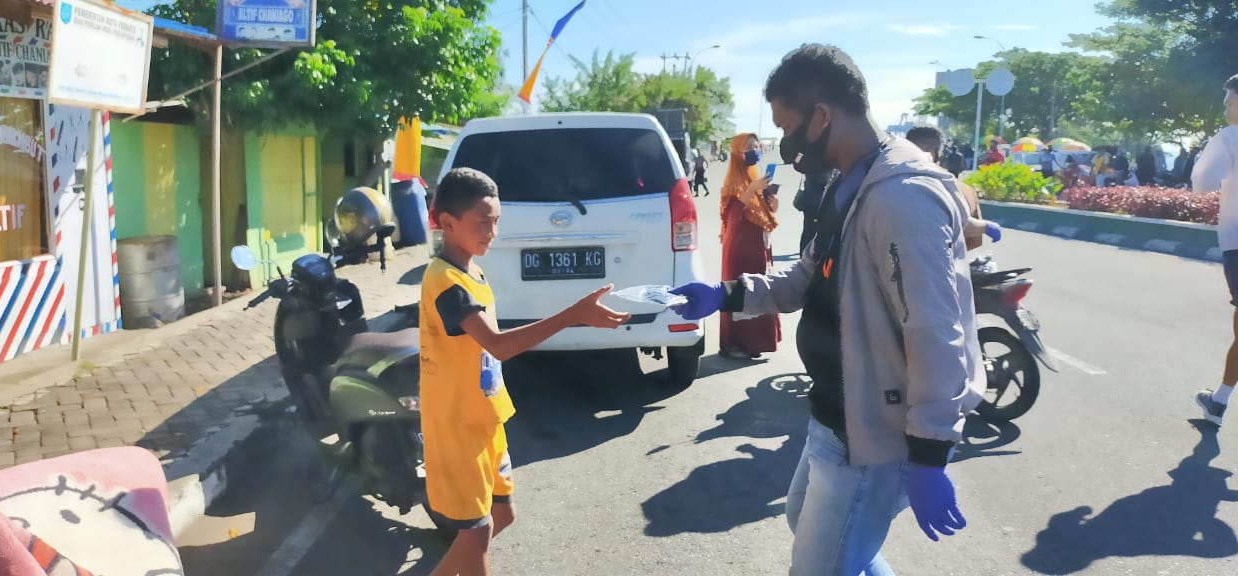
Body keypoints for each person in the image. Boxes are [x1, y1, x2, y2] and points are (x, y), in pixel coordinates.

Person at [671, 44, 985, 575]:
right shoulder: (851, 181)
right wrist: (725, 295)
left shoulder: (901, 197)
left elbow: (936, 330)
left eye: (786, 127)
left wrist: (930, 451)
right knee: (806, 522)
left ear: (821, 116)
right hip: (836, 414)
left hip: (875, 433)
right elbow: (804, 278)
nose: (784, 144)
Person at [421, 168, 630, 576]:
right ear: (448, 222)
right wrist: (572, 315)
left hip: (485, 418)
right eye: (484, 222)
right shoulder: (445, 282)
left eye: (497, 221)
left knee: (503, 515)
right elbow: (498, 345)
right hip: (457, 427)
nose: (493, 232)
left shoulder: (471, 272)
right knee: (477, 533)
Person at [1193, 74, 1238, 428]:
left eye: (1228, 103)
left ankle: (1219, 402)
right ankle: (1219, 401)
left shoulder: (1229, 138)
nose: (1225, 111)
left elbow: (1202, 183)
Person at [718, 133, 782, 360]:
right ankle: (733, 344)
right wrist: (750, 190)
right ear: (737, 152)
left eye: (756, 145)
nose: (755, 150)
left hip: (758, 249)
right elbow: (733, 218)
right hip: (739, 250)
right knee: (740, 293)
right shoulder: (733, 184)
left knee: (760, 292)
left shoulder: (755, 179)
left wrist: (772, 205)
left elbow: (761, 214)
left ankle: (757, 343)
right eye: (748, 147)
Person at [905, 126, 1001, 251]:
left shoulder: (884, 176)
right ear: (930, 150)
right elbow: (962, 226)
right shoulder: (942, 183)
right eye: (941, 151)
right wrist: (986, 226)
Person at [794, 168, 835, 255]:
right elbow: (823, 179)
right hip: (817, 200)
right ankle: (809, 254)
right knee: (813, 230)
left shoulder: (811, 163)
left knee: (808, 229)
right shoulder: (823, 165)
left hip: (810, 198)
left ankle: (804, 253)